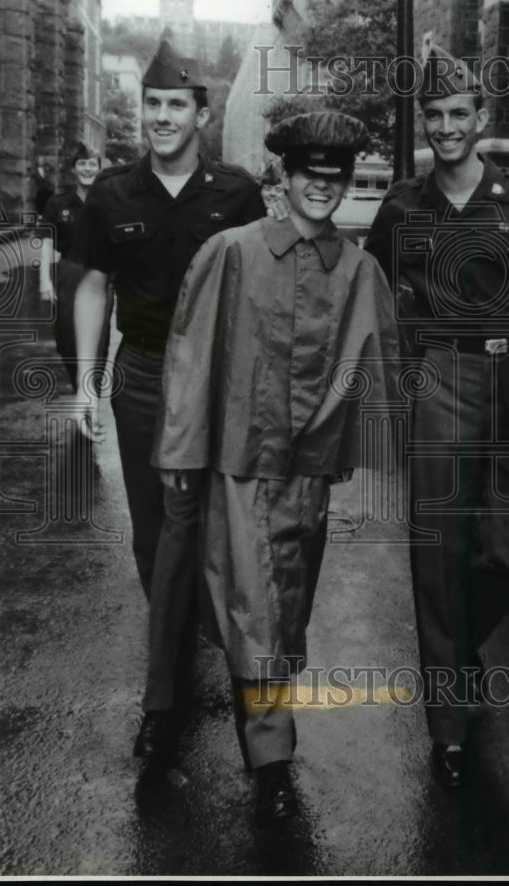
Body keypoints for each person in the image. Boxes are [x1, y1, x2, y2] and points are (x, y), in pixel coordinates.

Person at [150, 111, 399, 824]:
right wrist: (180, 450)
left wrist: (352, 465)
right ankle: (272, 761)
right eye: (308, 176)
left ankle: (258, 722)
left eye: (335, 179)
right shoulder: (231, 253)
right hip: (239, 463)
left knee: (285, 607)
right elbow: (193, 355)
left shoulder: (358, 271)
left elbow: (372, 378)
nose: (322, 189)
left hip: (310, 475)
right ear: (281, 179)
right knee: (257, 604)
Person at [364, 47, 509, 789]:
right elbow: (376, 301)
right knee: (439, 557)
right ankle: (449, 727)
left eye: (460, 115)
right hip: (440, 378)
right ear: (424, 124)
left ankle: (459, 653)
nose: (448, 128)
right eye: (436, 117)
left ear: (481, 119)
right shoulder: (401, 207)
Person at [69, 40, 266, 735]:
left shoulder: (237, 193)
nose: (161, 116)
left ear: (201, 115)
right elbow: (93, 285)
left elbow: (260, 294)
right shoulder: (113, 192)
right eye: (151, 104)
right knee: (152, 533)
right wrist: (89, 383)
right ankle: (170, 664)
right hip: (145, 375)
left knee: (214, 526)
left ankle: (194, 644)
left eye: (175, 104)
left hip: (215, 380)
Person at [39, 144, 111, 392]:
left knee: (98, 341)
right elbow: (47, 242)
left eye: (92, 164)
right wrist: (45, 280)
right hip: (68, 273)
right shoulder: (58, 204)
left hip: (100, 274)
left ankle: (90, 393)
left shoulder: (108, 203)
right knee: (67, 340)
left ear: (99, 169)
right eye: (82, 164)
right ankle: (78, 384)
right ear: (73, 169)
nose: (87, 168)